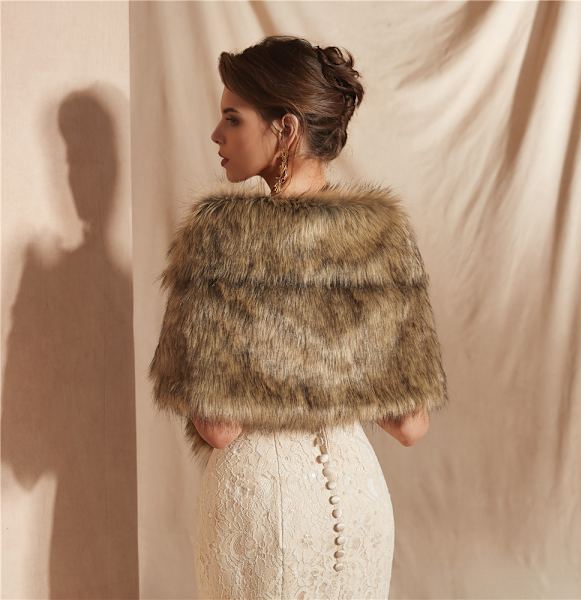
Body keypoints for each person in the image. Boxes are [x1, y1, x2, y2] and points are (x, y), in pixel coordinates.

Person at [148, 34, 448, 599]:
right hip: (359, 509)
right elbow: (410, 427)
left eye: (232, 119)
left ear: (284, 129)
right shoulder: (381, 240)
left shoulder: (219, 241)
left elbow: (219, 427)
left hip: (261, 512)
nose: (216, 135)